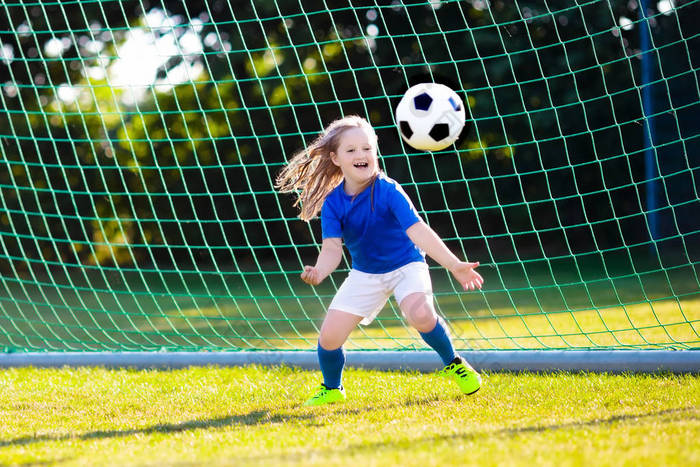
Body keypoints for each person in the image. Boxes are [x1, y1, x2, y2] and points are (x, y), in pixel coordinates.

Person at [275, 115, 484, 406]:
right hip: (365, 274)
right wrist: (320, 271)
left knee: (420, 314)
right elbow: (333, 249)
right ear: (335, 158)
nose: (361, 155)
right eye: (351, 151)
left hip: (406, 266)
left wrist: (454, 264)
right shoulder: (334, 202)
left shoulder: (388, 190)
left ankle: (454, 363)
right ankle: (332, 388)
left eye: (367, 148)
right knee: (329, 338)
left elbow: (418, 231)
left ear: (375, 152)